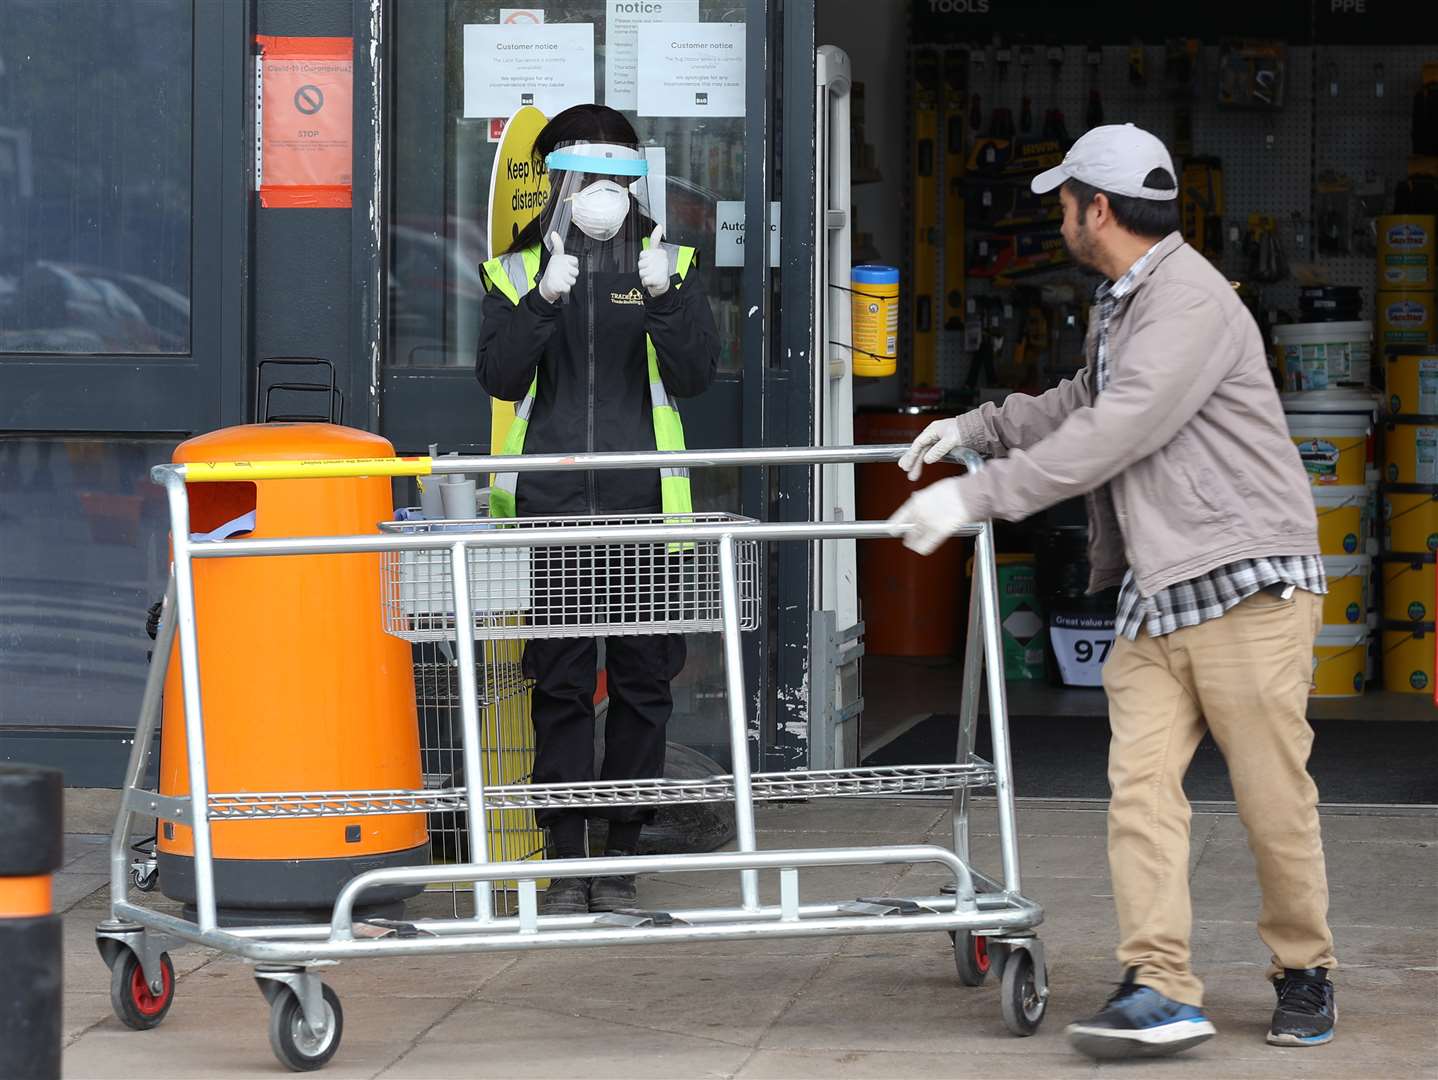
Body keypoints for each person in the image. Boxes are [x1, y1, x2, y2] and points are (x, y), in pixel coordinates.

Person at [891, 124, 1337, 1060]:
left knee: (1270, 800)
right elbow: (1080, 403)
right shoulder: (1120, 303)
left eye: (1062, 201)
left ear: (1098, 209)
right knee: (1139, 793)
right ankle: (1160, 985)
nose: (1055, 215)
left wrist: (974, 497)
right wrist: (971, 427)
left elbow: (1117, 431)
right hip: (1159, 589)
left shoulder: (1191, 304)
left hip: (1246, 584)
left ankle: (1305, 972)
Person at [476, 105, 719, 915]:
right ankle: (564, 856)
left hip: (646, 509)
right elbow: (502, 379)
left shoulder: (669, 259)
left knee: (646, 684)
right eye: (587, 169)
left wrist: (662, 297)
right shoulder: (515, 267)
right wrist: (541, 298)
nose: (602, 186)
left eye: (619, 169)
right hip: (555, 511)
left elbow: (692, 376)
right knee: (562, 686)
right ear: (555, 177)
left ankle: (619, 854)